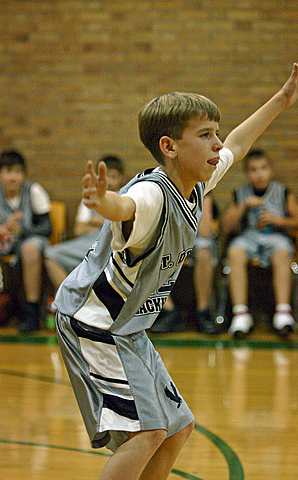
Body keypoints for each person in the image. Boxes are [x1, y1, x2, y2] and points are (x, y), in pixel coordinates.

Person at [54, 63, 298, 480]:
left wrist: (283, 98)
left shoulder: (196, 183)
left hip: (127, 326)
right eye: (206, 135)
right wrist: (102, 203)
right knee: (148, 432)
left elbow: (240, 141)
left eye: (216, 133)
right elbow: (126, 207)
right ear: (169, 147)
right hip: (93, 321)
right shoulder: (152, 194)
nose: (218, 144)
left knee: (177, 428)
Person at [221, 148, 298, 339]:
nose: (259, 173)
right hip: (249, 237)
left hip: (276, 237)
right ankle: (240, 314)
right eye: (254, 170)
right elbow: (225, 227)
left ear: (270, 170)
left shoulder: (283, 192)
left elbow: (296, 220)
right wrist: (244, 206)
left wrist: (278, 220)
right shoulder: (240, 194)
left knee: (282, 253)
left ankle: (283, 313)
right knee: (235, 252)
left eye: (263, 168)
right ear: (247, 173)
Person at [0, 149, 52, 333]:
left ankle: (32, 311)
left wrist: (22, 229)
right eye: (8, 171)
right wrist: (4, 228)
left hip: (28, 239)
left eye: (18, 172)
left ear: (24, 175)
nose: (13, 177)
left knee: (30, 249)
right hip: (1, 240)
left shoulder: (34, 190)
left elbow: (47, 228)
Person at [44, 155, 125, 292]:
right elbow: (79, 229)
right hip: (89, 244)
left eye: (113, 177)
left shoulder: (125, 197)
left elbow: (123, 226)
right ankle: (70, 300)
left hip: (114, 246)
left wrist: (95, 221)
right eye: (106, 176)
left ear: (121, 178)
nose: (109, 182)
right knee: (50, 254)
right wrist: (108, 221)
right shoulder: (90, 197)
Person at [150, 192, 220, 334]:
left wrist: (203, 201)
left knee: (204, 252)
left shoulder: (204, 192)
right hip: (172, 238)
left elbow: (205, 232)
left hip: (197, 240)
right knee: (151, 249)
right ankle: (168, 310)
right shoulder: (165, 188)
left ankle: (203, 311)